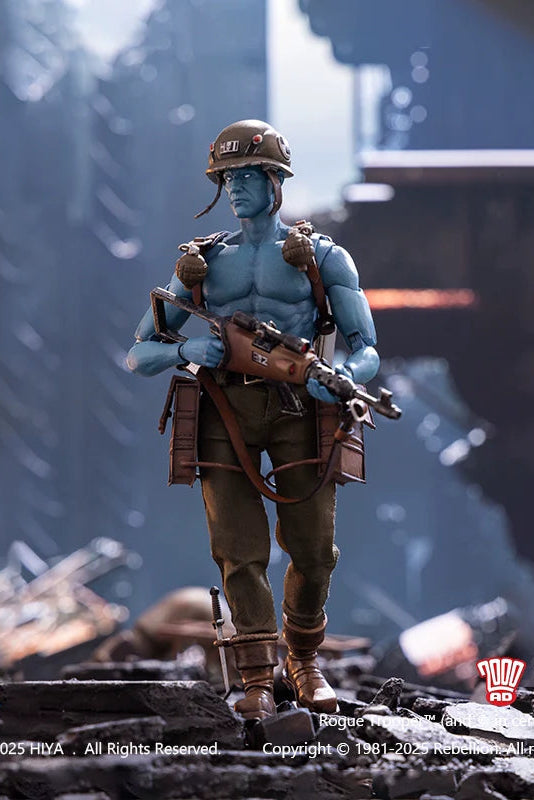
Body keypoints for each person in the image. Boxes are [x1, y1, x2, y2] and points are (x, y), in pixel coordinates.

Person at [127, 120, 379, 720]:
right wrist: (188, 350)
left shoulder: (320, 257)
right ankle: (258, 677)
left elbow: (366, 347)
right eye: (227, 178)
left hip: (301, 407)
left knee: (314, 550)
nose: (235, 188)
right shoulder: (204, 263)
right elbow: (139, 353)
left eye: (246, 176)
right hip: (224, 408)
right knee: (238, 551)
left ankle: (305, 660)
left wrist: (338, 374)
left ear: (274, 181)